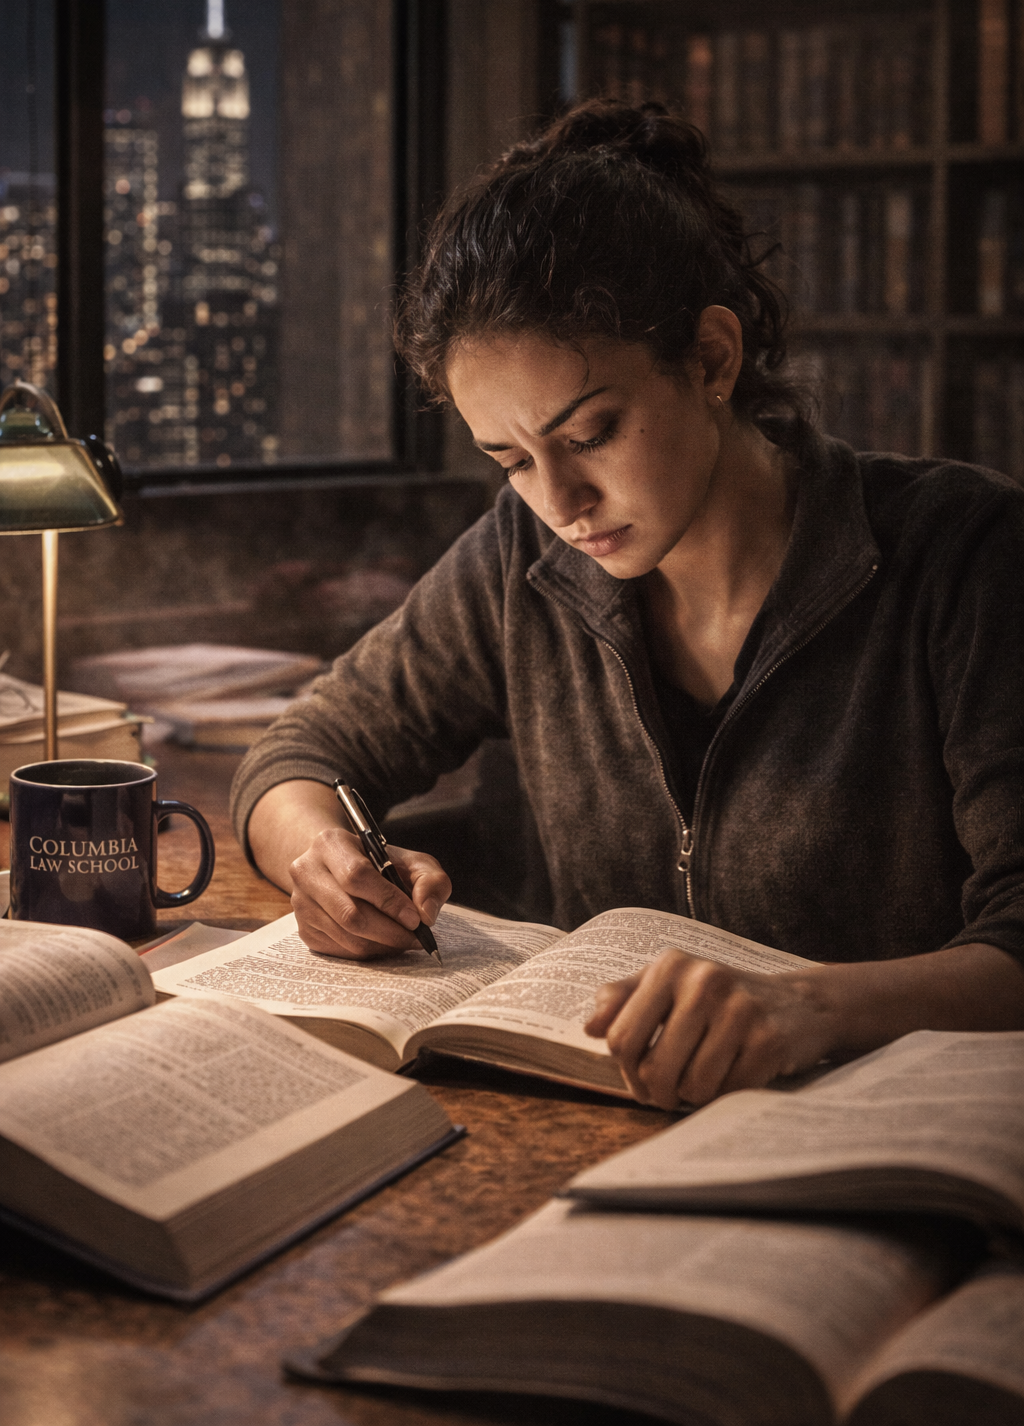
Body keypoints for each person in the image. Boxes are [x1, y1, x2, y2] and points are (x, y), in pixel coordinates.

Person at [232, 100, 1024, 1111]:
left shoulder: (965, 557)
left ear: (711, 359)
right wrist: (320, 857)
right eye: (510, 460)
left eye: (592, 432)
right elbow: (301, 752)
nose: (559, 504)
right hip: (605, 1129)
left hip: (898, 1141)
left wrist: (809, 1009)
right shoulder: (521, 562)